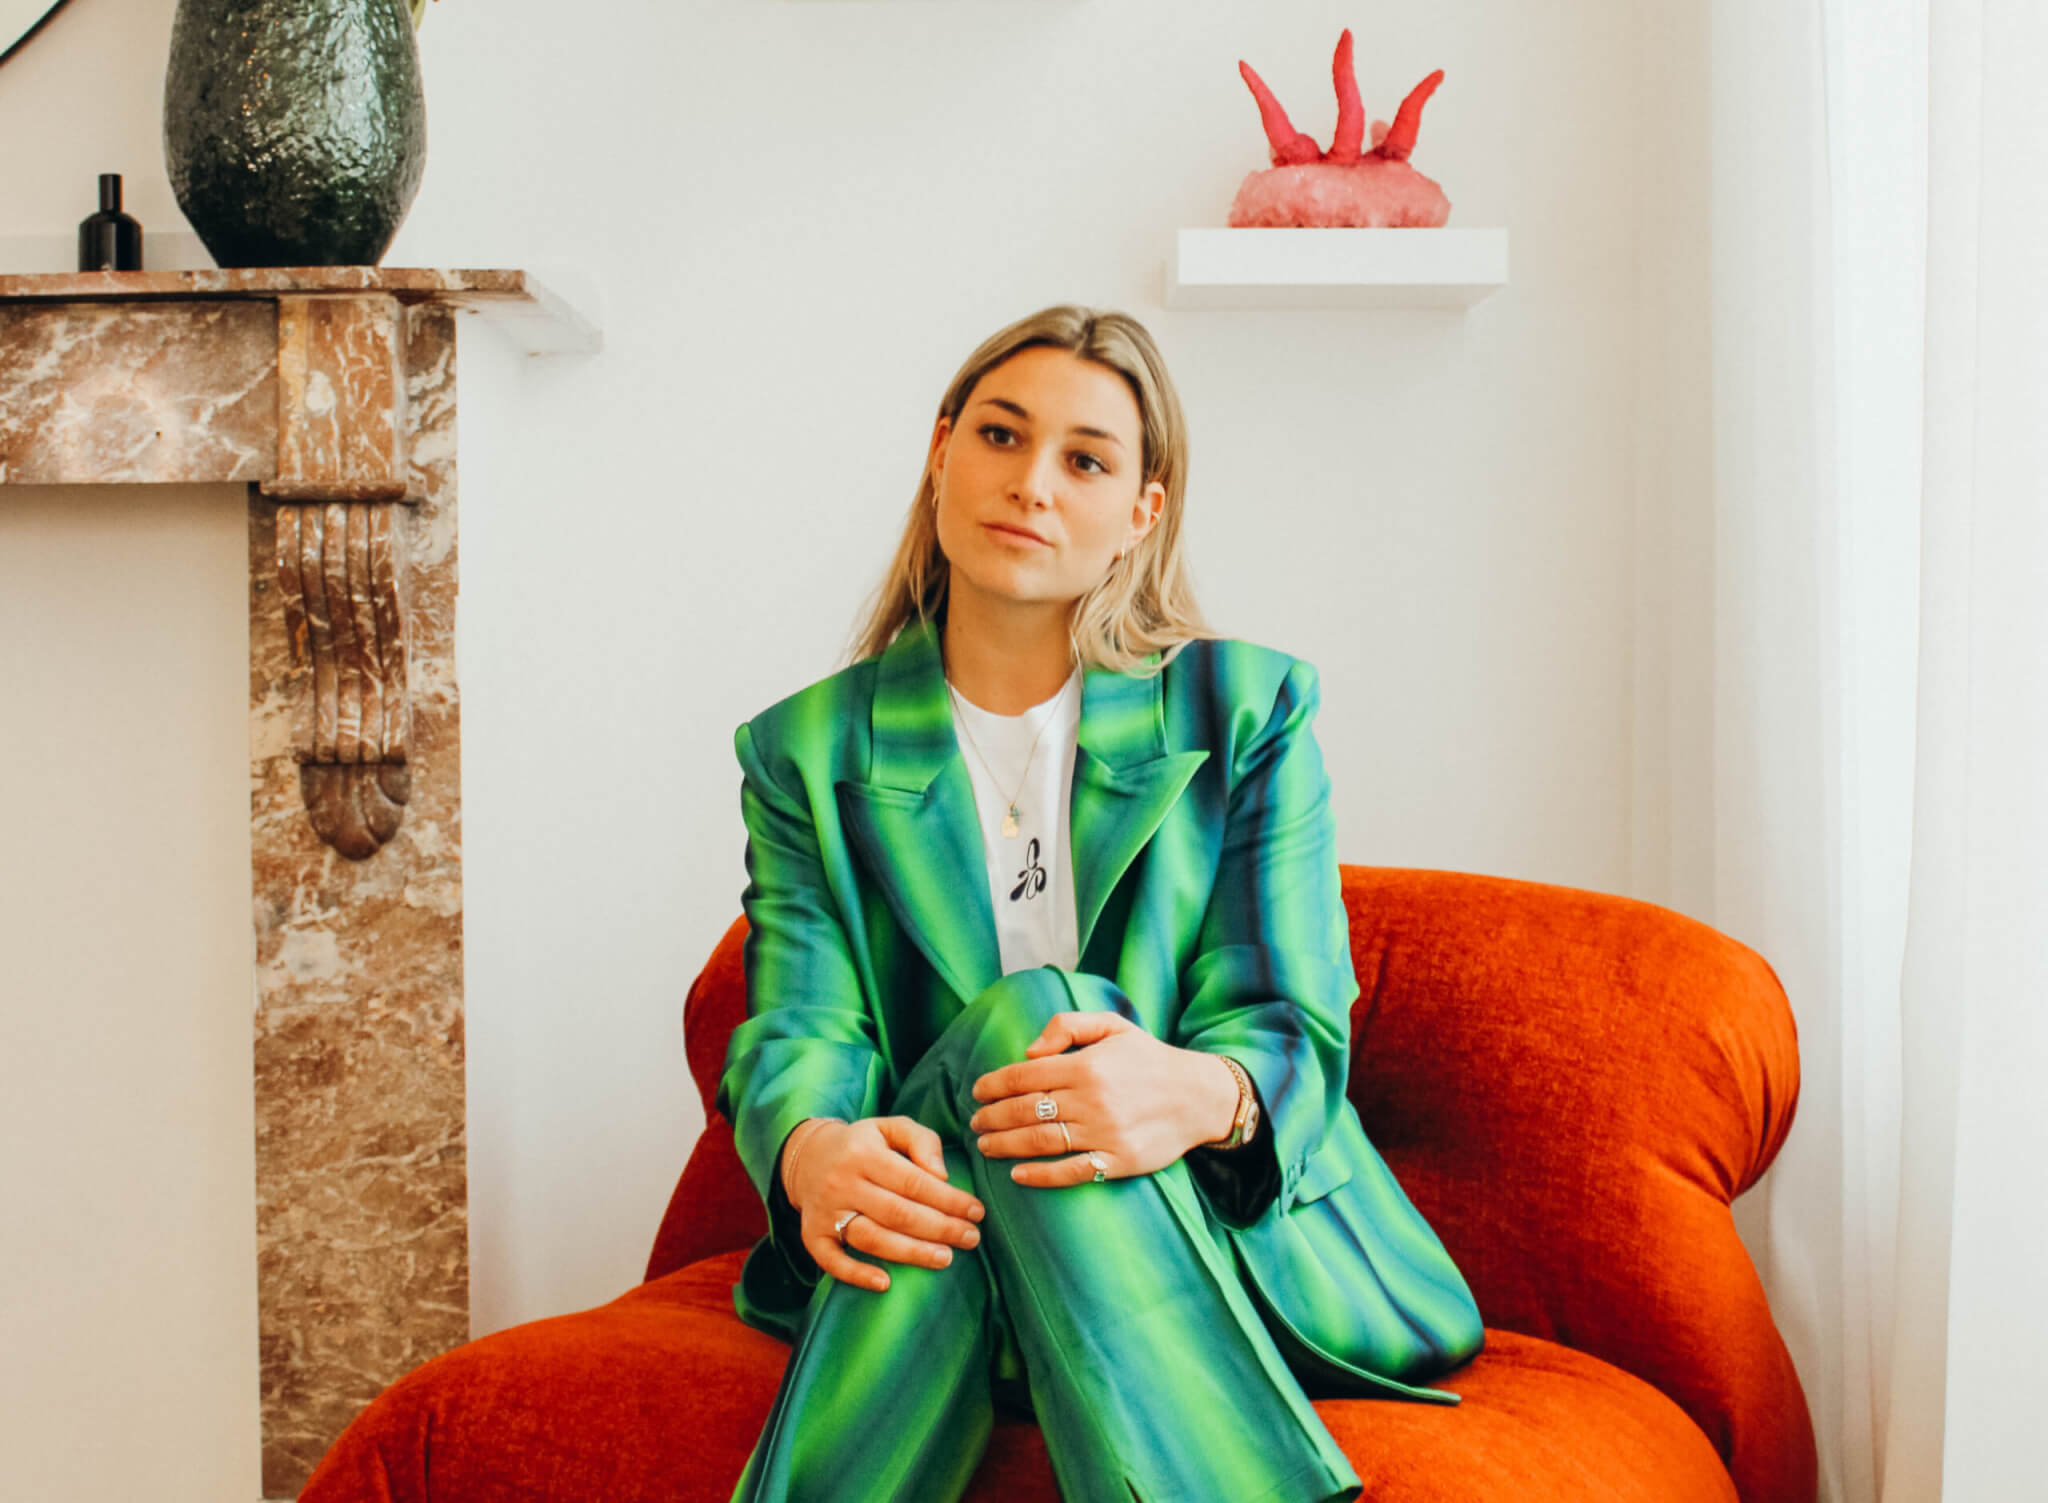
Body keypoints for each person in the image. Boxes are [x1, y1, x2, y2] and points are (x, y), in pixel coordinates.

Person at [715, 305, 1483, 1503]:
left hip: (1220, 1231)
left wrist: (1193, 1095)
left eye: (1084, 460)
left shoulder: (1243, 710)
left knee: (1034, 1026)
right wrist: (814, 1150)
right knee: (999, 1073)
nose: (1031, 483)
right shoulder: (807, 752)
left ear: (1141, 511)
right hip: (949, 1217)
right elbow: (802, 1023)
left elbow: (1286, 1014)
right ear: (941, 450)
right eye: (1000, 436)